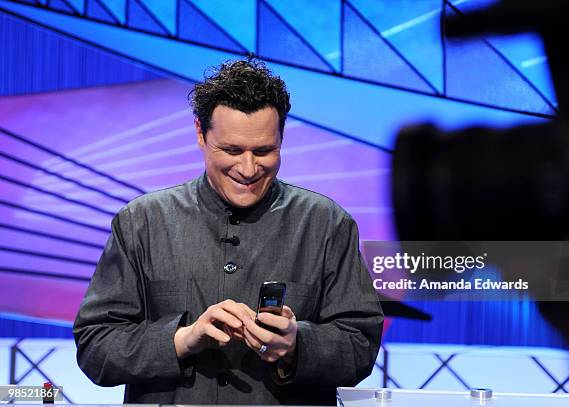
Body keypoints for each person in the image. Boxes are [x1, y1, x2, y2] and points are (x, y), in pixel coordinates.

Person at [73, 59, 384, 405]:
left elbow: (361, 345)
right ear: (200, 134)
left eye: (264, 151)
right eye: (232, 150)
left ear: (282, 138)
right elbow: (95, 347)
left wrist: (297, 345)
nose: (248, 168)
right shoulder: (141, 222)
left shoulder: (327, 224)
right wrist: (183, 339)